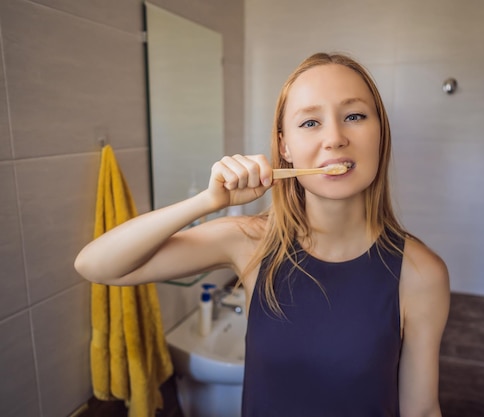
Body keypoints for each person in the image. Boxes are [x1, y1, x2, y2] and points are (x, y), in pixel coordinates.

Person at [75, 52, 450, 417]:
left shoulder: (420, 272)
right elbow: (97, 265)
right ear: (285, 146)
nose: (335, 138)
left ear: (380, 133)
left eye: (354, 116)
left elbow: (420, 408)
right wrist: (207, 201)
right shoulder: (251, 240)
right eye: (310, 123)